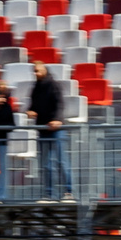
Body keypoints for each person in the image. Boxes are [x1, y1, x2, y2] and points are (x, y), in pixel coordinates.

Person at [29, 66, 71, 199]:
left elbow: (60, 104)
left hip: (56, 129)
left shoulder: (54, 85)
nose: (36, 73)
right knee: (46, 164)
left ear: (44, 71)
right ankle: (49, 194)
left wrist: (57, 120)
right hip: (43, 128)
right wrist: (31, 111)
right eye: (34, 71)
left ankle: (68, 192)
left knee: (61, 161)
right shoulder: (36, 88)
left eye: (38, 70)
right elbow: (33, 105)